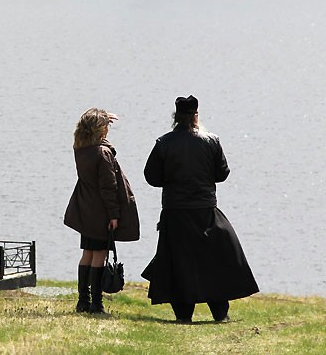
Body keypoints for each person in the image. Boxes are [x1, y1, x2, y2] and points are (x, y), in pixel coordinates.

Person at [142, 95, 258, 323]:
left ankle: (184, 315)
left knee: (179, 262)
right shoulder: (212, 141)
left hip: (175, 211)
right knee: (215, 261)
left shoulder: (163, 143)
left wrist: (172, 178)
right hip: (205, 210)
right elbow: (222, 174)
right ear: (196, 116)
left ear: (175, 117)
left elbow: (151, 177)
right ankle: (220, 313)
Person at [64, 108, 140, 314]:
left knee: (87, 253)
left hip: (85, 209)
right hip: (100, 211)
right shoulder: (103, 153)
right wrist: (114, 215)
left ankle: (83, 301)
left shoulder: (81, 148)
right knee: (100, 254)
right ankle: (96, 303)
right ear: (99, 129)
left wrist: (103, 115)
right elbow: (109, 187)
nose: (108, 129)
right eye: (105, 125)